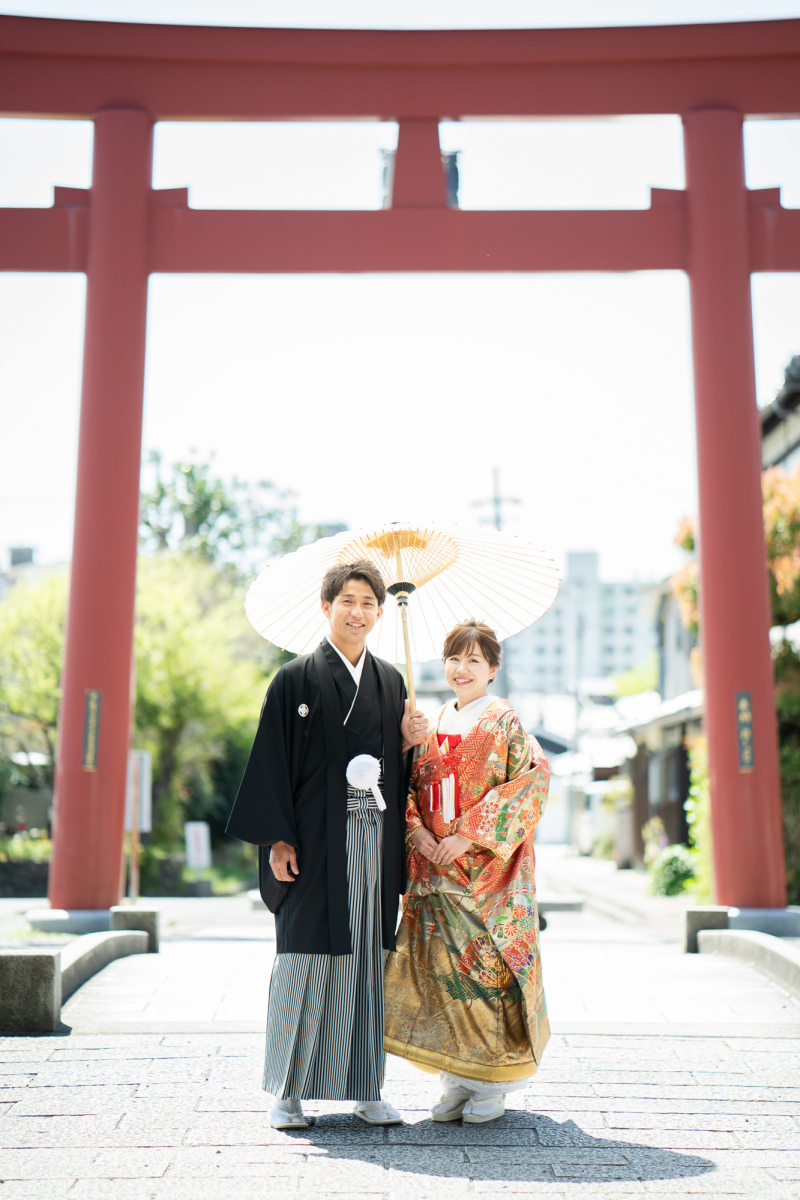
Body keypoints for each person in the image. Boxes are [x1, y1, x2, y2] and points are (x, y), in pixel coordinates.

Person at [226, 559, 428, 1130]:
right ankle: (288, 1092)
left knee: (368, 960)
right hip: (315, 844)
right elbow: (271, 763)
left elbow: (400, 770)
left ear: (381, 613)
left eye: (368, 603)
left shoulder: (391, 681)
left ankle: (367, 1087)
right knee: (304, 957)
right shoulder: (294, 680)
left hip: (374, 843)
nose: (358, 612)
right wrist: (277, 840)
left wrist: (410, 742)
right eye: (348, 601)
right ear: (326, 607)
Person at [384, 619, 550, 1124]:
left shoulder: (504, 722)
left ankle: (492, 1082)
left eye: (474, 660)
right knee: (443, 977)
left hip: (484, 877)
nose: (462, 669)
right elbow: (409, 789)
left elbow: (532, 783)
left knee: (487, 975)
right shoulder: (429, 723)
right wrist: (418, 833)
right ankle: (456, 1080)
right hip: (435, 873)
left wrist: (468, 835)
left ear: (493, 670)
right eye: (454, 658)